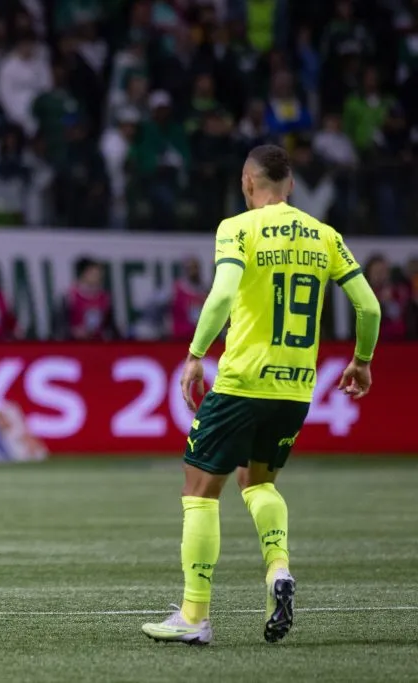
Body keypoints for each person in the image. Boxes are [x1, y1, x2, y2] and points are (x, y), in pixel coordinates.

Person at [141, 145, 381, 645]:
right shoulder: (326, 236)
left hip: (242, 382)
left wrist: (195, 353)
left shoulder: (236, 228)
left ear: (248, 183)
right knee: (257, 483)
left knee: (199, 491)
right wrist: (362, 360)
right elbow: (370, 308)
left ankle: (194, 616)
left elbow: (224, 294)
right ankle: (277, 569)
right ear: (290, 185)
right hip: (294, 389)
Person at [63, 258, 114, 341]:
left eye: (99, 273)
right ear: (84, 273)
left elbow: (110, 326)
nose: (97, 276)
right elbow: (61, 325)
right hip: (75, 344)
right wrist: (72, 332)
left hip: (99, 343)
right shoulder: (70, 296)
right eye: (93, 273)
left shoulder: (105, 298)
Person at [170, 256, 208, 341]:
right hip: (180, 338)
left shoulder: (203, 290)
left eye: (195, 268)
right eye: (190, 268)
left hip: (199, 338)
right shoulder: (176, 289)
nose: (193, 271)